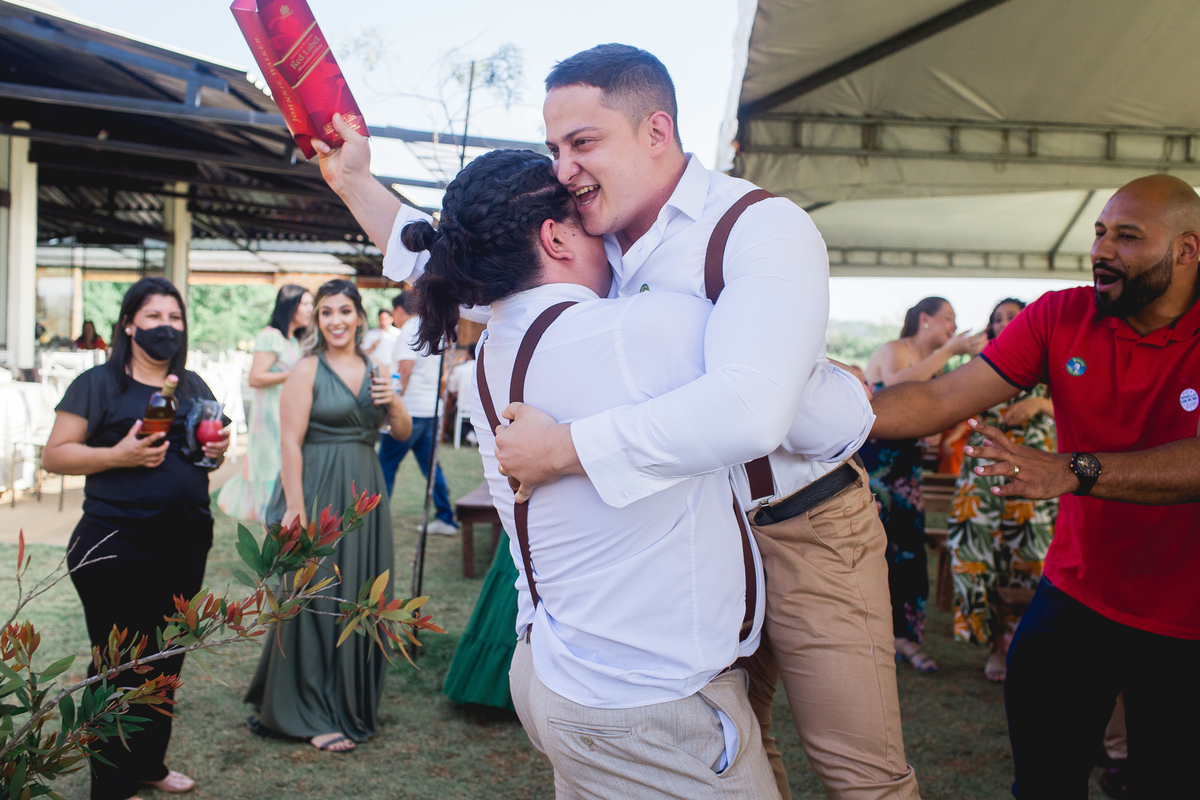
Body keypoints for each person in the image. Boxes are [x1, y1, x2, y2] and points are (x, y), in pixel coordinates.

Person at [314, 44, 912, 800]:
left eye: (582, 143)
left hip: (803, 521)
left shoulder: (759, 228)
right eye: (554, 148)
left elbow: (762, 410)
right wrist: (359, 183)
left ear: (655, 131)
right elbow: (472, 264)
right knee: (740, 746)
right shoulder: (585, 233)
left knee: (860, 770)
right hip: (690, 542)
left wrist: (568, 448)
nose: (563, 168)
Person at [411, 146, 779, 798]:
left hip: (557, 668)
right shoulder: (641, 331)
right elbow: (812, 415)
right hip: (645, 703)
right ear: (555, 236)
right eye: (591, 219)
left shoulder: (494, 353)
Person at [869, 173, 1200, 799]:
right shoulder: (1061, 314)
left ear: (1187, 250)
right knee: (1043, 784)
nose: (1102, 251)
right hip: (1076, 596)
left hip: (1189, 622)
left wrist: (1074, 469)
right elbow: (942, 397)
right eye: (1100, 233)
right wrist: (835, 406)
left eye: (1128, 237)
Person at [42, 277, 231, 800]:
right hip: (114, 544)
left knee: (167, 656)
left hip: (186, 541)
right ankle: (111, 781)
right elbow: (54, 454)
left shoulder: (192, 384)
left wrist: (215, 451)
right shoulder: (98, 384)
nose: (165, 327)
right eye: (153, 317)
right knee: (119, 662)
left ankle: (148, 763)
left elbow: (207, 453)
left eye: (174, 317)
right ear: (129, 324)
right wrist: (115, 456)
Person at [244, 279, 411, 753]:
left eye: (344, 311)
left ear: (359, 316)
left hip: (364, 488)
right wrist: (296, 506)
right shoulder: (306, 369)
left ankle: (349, 700)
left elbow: (399, 432)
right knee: (313, 593)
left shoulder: (375, 366)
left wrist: (394, 400)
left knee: (362, 589)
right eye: (325, 313)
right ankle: (308, 709)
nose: (335, 321)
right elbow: (290, 443)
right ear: (316, 321)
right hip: (316, 487)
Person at [860, 297, 985, 673]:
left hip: (907, 469)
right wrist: (950, 351)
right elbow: (897, 386)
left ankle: (906, 638)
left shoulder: (932, 365)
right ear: (925, 319)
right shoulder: (894, 350)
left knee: (911, 553)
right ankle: (869, 637)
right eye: (947, 318)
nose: (953, 325)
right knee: (873, 550)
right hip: (876, 468)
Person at [948, 298, 1057, 682]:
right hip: (980, 483)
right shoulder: (979, 370)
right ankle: (997, 645)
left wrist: (1040, 403)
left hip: (1036, 483)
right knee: (980, 561)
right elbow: (948, 405)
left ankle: (1025, 645)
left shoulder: (1052, 362)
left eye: (1014, 316)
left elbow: (1087, 409)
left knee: (1031, 561)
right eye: (998, 319)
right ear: (990, 329)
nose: (1005, 322)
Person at [217, 284, 313, 521]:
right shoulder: (270, 335)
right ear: (290, 306)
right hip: (269, 425)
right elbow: (256, 378)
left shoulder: (292, 340)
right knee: (271, 490)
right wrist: (296, 374)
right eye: (306, 304)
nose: (311, 309)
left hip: (288, 420)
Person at [378, 291, 458, 535]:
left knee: (384, 466)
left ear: (400, 310)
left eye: (393, 313)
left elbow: (404, 372)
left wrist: (392, 407)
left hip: (408, 411)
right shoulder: (434, 327)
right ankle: (446, 517)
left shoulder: (409, 329)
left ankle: (374, 521)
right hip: (429, 411)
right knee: (431, 467)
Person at [362, 306, 399, 371]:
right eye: (381, 319)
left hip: (393, 369)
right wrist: (372, 346)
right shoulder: (370, 334)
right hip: (375, 369)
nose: (383, 322)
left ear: (391, 319)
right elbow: (363, 353)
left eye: (385, 319)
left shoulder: (398, 334)